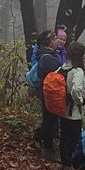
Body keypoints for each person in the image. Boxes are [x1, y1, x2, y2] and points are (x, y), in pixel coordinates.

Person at [34, 30, 65, 160]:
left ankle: (42, 140)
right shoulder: (47, 58)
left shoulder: (50, 55)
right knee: (49, 120)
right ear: (48, 42)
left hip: (49, 93)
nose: (57, 40)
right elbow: (54, 75)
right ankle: (47, 148)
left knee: (51, 120)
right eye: (53, 39)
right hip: (49, 94)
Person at [58, 42, 85, 170]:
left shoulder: (62, 68)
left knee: (64, 136)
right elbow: (76, 90)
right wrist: (80, 101)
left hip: (62, 107)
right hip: (74, 111)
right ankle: (72, 164)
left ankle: (64, 163)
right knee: (74, 138)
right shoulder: (77, 71)